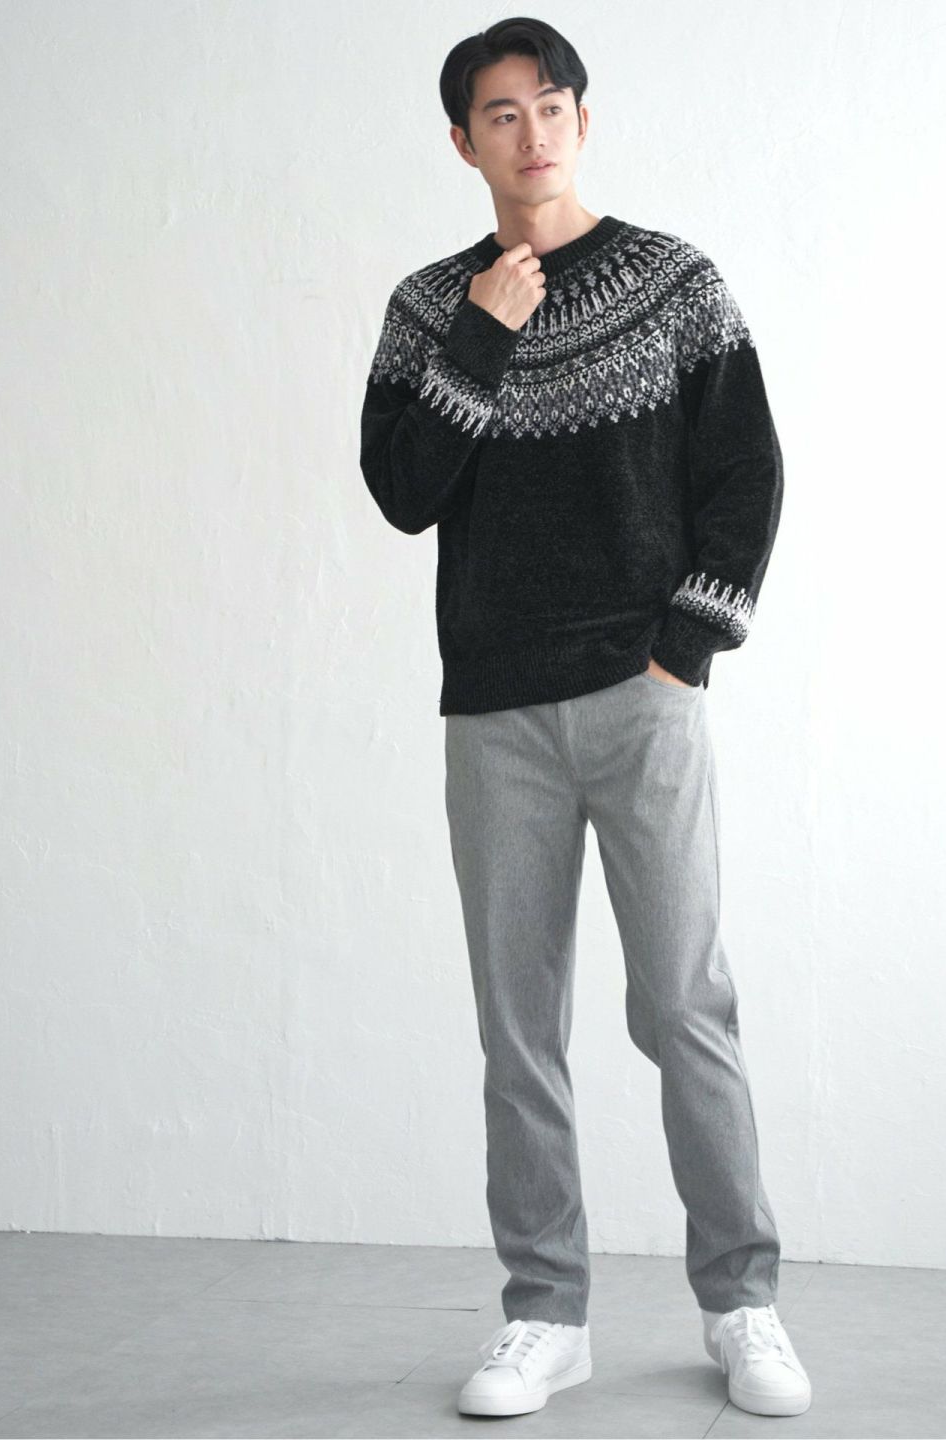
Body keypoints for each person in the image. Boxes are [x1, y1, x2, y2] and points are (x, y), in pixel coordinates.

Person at [358, 14, 811, 1422]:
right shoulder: (430, 309)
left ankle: (741, 1302)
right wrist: (483, 339)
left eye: (552, 105)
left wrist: (685, 652)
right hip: (496, 718)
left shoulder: (675, 283)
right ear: (464, 142)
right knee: (520, 1030)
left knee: (684, 1006)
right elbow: (402, 491)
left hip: (641, 699)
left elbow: (747, 472)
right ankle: (545, 1315)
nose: (534, 132)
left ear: (583, 119)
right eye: (503, 114)